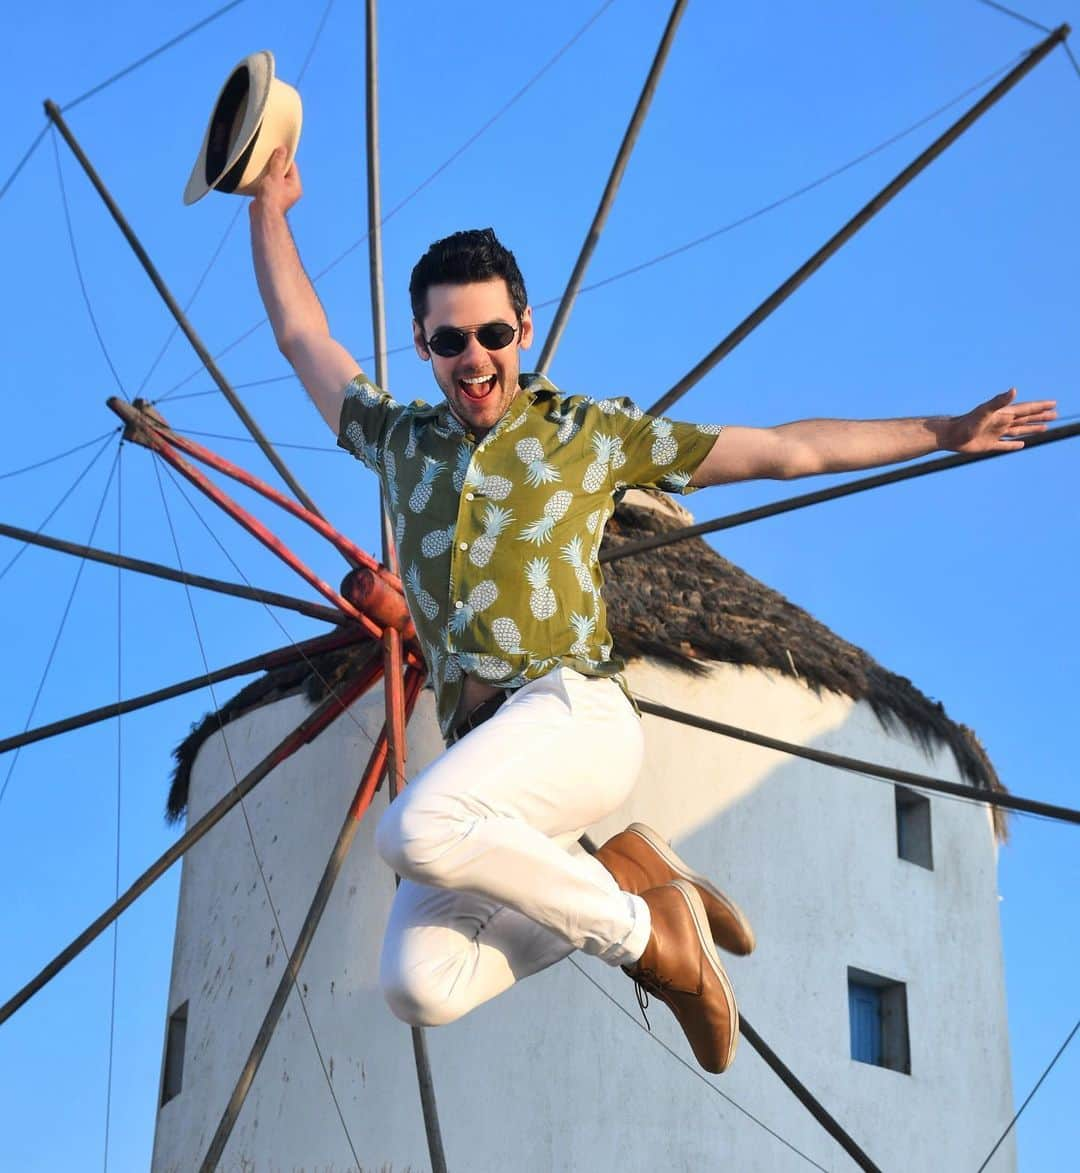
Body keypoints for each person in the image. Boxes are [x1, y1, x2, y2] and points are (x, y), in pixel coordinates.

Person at [248, 146, 1056, 1074]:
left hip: (573, 713)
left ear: (524, 326)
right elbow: (302, 335)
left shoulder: (587, 435)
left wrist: (943, 433)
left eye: (493, 334)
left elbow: (783, 451)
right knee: (418, 984)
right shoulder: (399, 443)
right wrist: (269, 210)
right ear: (424, 347)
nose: (475, 358)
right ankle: (631, 881)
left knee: (414, 829)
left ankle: (654, 938)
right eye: (449, 341)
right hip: (491, 760)